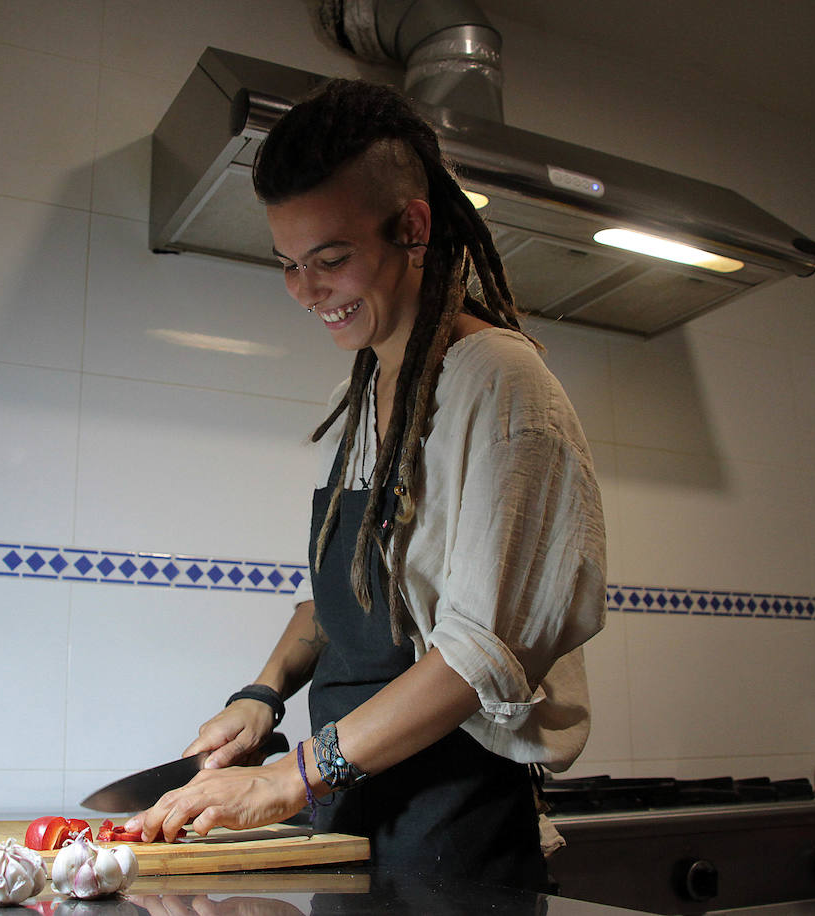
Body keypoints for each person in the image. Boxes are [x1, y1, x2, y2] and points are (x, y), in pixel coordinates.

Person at [126, 78, 606, 891]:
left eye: (331, 258)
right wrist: (261, 698)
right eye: (288, 265)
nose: (307, 292)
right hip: (356, 806)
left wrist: (291, 778)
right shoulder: (359, 398)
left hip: (454, 821)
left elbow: (478, 655)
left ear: (413, 226)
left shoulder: (501, 386)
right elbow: (342, 595)